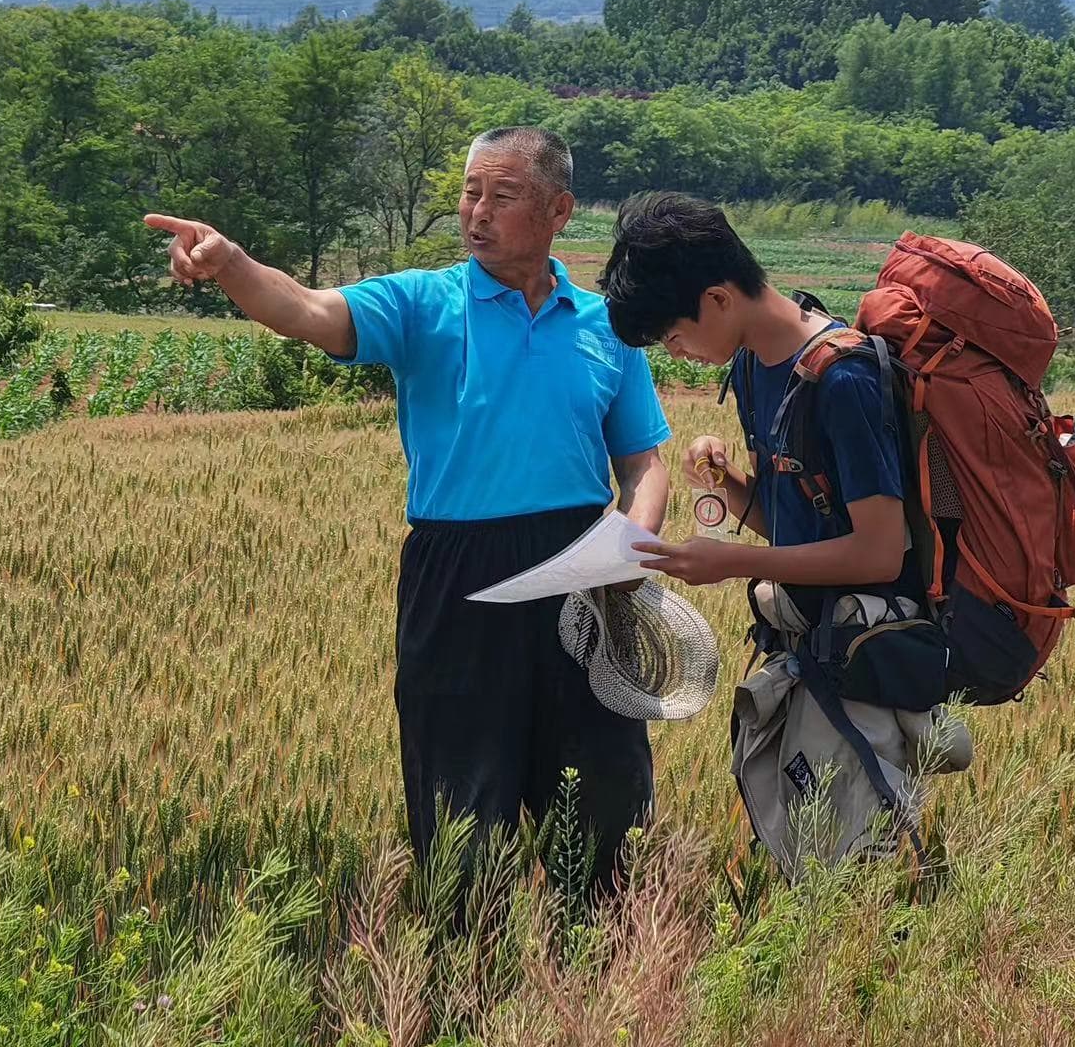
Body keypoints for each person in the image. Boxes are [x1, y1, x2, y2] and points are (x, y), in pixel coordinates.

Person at [145, 127, 671, 881]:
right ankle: (466, 987)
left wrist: (631, 547)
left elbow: (644, 463)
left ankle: (598, 981)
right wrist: (229, 263)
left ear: (559, 209)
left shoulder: (604, 327)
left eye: (501, 195)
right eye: (469, 193)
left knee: (601, 801)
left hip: (581, 572)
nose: (476, 212)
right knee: (461, 808)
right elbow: (305, 310)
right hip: (458, 577)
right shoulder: (422, 303)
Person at [600, 192, 917, 607]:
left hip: (876, 646)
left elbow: (880, 555)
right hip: (814, 638)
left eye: (672, 337)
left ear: (717, 299)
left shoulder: (844, 380)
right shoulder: (751, 368)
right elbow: (785, 528)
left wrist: (736, 560)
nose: (676, 353)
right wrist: (723, 478)